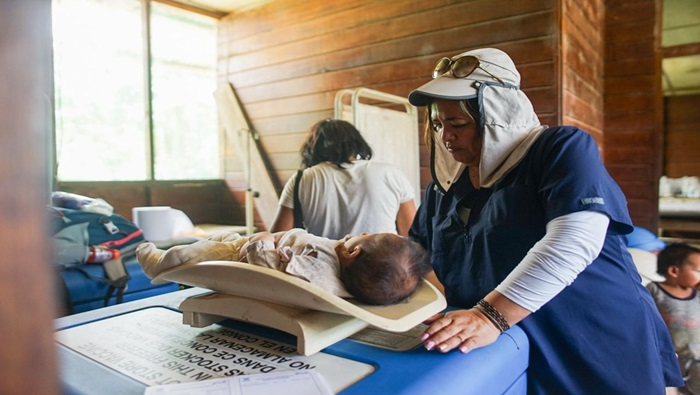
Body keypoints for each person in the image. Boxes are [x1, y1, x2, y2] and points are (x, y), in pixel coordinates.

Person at [406, 47, 683, 393]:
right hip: (514, 352)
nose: (446, 137)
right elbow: (417, 253)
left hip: (591, 339)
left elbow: (576, 239)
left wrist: (488, 315)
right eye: (438, 124)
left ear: (498, 113)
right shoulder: (443, 190)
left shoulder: (559, 149)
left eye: (458, 124)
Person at [136, 228, 431, 306]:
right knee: (215, 240)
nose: (363, 231)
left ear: (354, 251)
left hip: (238, 253)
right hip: (249, 242)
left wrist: (263, 240)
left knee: (196, 252)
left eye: (368, 235)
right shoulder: (346, 278)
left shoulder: (318, 269)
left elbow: (267, 269)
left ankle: (158, 264)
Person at [270, 119, 416, 239]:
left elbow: (277, 237)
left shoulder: (302, 179)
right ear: (356, 142)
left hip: (326, 266)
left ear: (315, 147)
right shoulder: (391, 173)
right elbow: (411, 234)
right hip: (383, 266)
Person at [647, 243, 700, 395]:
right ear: (674, 271)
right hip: (672, 357)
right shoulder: (654, 290)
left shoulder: (697, 294)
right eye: (698, 271)